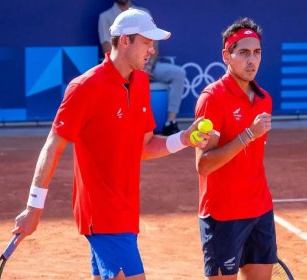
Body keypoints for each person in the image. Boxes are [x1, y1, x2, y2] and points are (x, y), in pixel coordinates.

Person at [12, 9, 210, 280]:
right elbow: (52, 146)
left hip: (126, 212)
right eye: (147, 42)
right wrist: (34, 209)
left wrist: (184, 139)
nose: (152, 50)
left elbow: (144, 146)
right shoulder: (84, 87)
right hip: (103, 214)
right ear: (126, 41)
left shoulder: (140, 81)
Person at [193, 17, 277, 280]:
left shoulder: (264, 99)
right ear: (226, 56)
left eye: (256, 53)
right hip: (223, 215)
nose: (251, 60)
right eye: (243, 53)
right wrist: (249, 134)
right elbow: (203, 164)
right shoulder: (212, 99)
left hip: (260, 209)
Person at [98, 0, 186, 136]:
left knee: (178, 73)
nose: (150, 48)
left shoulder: (144, 13)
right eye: (145, 42)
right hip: (124, 68)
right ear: (124, 40)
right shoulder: (105, 17)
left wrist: (147, 67)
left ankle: (170, 122)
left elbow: (154, 47)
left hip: (147, 67)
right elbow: (108, 48)